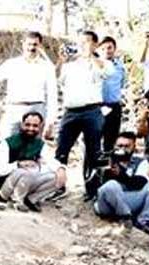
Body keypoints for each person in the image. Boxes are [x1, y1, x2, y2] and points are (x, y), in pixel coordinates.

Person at [55, 30, 113, 198]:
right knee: (62, 149)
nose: (82, 45)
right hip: (71, 111)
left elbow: (107, 72)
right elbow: (57, 78)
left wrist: (91, 56)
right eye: (80, 42)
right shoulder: (70, 64)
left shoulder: (102, 62)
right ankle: (58, 186)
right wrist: (61, 60)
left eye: (86, 41)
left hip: (92, 111)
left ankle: (92, 190)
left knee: (93, 151)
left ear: (95, 44)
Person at [0, 111, 66, 211]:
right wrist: (18, 164)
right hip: (7, 183)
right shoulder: (7, 143)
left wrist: (61, 169)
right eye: (27, 125)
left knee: (55, 176)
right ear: (22, 125)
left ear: (40, 127)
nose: (31, 128)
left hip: (27, 181)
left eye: (35, 126)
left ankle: (31, 200)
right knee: (24, 172)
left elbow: (51, 160)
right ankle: (13, 200)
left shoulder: (40, 144)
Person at [0, 31, 58, 139]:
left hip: (37, 110)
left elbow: (52, 95)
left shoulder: (47, 67)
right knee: (8, 144)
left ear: (40, 45)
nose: (31, 47)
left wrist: (50, 120)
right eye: (29, 44)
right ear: (23, 44)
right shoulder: (11, 64)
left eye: (35, 44)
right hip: (14, 110)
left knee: (33, 147)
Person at [94, 131, 149, 228]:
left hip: (128, 199)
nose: (122, 149)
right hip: (106, 205)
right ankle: (125, 216)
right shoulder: (106, 159)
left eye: (127, 146)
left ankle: (143, 221)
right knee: (111, 185)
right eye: (119, 146)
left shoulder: (140, 162)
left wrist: (121, 174)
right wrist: (103, 172)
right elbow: (96, 188)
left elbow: (140, 183)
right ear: (114, 146)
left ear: (134, 147)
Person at [99, 36, 126, 154]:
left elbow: (122, 84)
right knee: (92, 140)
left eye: (109, 47)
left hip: (114, 107)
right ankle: (89, 165)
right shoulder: (95, 65)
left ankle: (108, 164)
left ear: (114, 49)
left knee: (111, 141)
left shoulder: (120, 66)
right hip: (97, 107)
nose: (107, 51)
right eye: (103, 48)